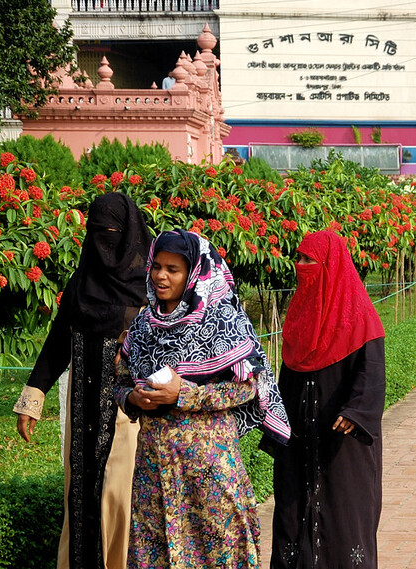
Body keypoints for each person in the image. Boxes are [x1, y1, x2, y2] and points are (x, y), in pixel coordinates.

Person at [116, 230, 292, 568]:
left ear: (195, 273)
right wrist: (133, 398)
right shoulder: (143, 324)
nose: (161, 276)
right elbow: (121, 381)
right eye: (157, 266)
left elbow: (248, 387)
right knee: (158, 552)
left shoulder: (222, 320)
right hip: (155, 470)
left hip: (209, 468)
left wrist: (185, 394)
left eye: (173, 269)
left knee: (218, 552)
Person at [13, 192, 151, 569]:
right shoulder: (81, 285)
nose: (103, 241)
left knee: (117, 495)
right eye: (95, 232)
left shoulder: (149, 289)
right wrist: (33, 397)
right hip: (82, 406)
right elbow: (59, 340)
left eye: (110, 232)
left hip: (129, 413)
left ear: (126, 234)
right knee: (79, 495)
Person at [271, 231, 386, 569]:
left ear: (331, 265)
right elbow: (288, 376)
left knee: (344, 519)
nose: (301, 266)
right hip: (299, 443)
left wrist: (355, 411)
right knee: (293, 517)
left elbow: (372, 375)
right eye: (300, 258)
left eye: (310, 260)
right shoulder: (299, 316)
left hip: (343, 444)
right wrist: (277, 420)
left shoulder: (361, 319)